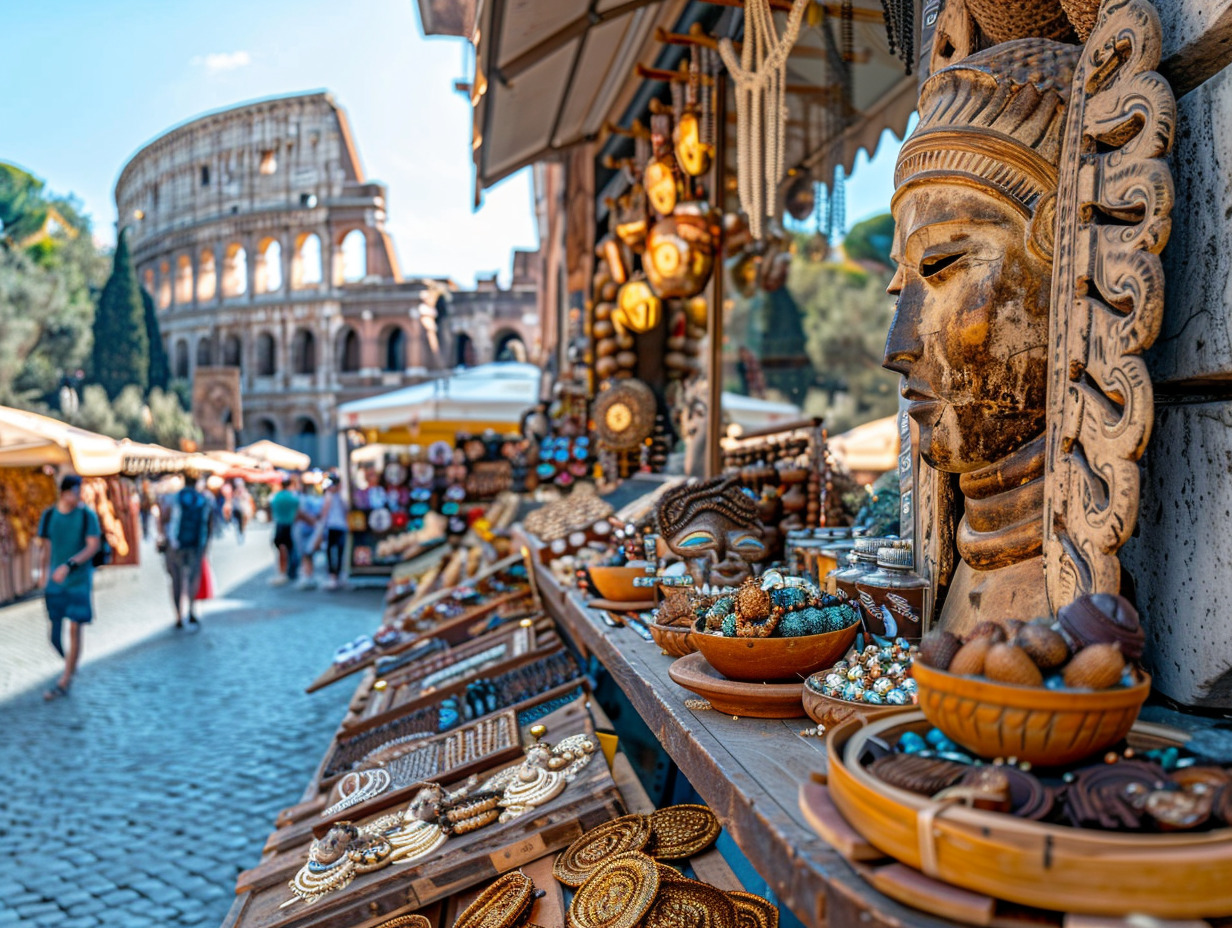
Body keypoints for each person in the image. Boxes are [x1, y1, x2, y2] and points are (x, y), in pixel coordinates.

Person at [36, 475, 101, 701]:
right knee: (54, 634)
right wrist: (42, 573)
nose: (79, 495)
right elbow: (46, 547)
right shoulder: (49, 516)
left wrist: (70, 565)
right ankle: (70, 664)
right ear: (64, 492)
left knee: (75, 627)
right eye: (76, 491)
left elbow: (94, 545)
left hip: (79, 581)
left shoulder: (87, 515)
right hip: (55, 583)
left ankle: (65, 679)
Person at [164, 469, 214, 629]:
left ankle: (178, 615)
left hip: (175, 544)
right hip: (197, 543)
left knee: (176, 579)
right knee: (193, 577)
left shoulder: (174, 498)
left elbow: (165, 517)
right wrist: (206, 545)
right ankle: (191, 610)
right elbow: (210, 524)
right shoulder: (204, 499)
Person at [318, 475, 350, 590]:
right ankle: (338, 576)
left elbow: (324, 513)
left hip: (332, 527)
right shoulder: (342, 496)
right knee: (339, 552)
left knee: (330, 552)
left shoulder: (330, 496)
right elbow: (346, 511)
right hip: (341, 527)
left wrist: (320, 526)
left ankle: (333, 577)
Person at [269, 474, 302, 585]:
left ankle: (282, 572)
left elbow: (272, 510)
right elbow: (298, 511)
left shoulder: (276, 497)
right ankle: (291, 572)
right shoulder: (293, 497)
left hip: (279, 525)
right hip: (290, 525)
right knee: (292, 550)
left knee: (281, 550)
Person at [294, 483, 323, 590]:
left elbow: (301, 514)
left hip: (306, 530)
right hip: (309, 529)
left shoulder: (303, 500)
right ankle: (308, 575)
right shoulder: (315, 500)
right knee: (308, 554)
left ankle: (307, 576)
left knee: (306, 554)